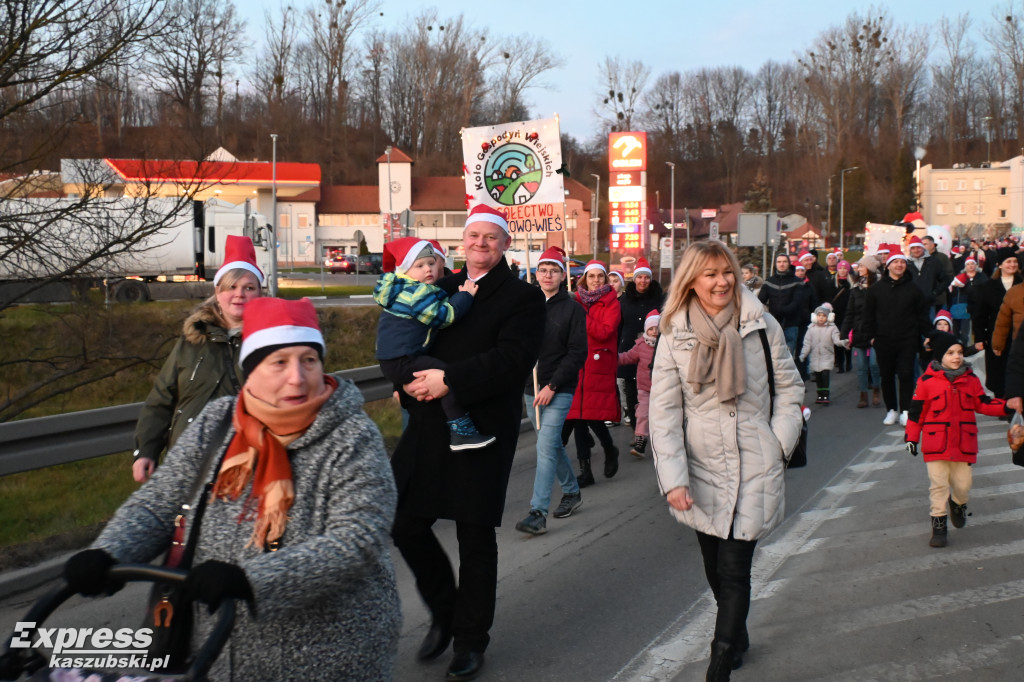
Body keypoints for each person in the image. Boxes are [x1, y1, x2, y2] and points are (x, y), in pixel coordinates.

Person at [64, 297, 401, 680]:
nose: (297, 376)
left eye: (309, 360)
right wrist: (109, 551)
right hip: (222, 649)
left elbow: (358, 538)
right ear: (250, 370)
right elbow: (159, 503)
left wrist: (252, 579)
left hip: (330, 653)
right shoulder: (218, 422)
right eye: (279, 362)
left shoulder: (351, 435)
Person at [389, 203, 545, 682]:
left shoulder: (523, 298)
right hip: (428, 425)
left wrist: (449, 380)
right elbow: (401, 333)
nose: (480, 243)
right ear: (462, 241)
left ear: (504, 244)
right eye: (473, 235)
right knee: (402, 523)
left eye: (490, 237)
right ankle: (445, 610)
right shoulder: (440, 285)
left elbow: (512, 360)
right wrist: (406, 381)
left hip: (481, 428)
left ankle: (471, 640)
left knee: (475, 538)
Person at [649, 240, 803, 681]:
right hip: (700, 464)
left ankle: (718, 664)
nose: (721, 282)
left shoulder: (761, 323)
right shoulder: (674, 331)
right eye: (711, 274)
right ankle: (737, 633)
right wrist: (673, 478)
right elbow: (663, 412)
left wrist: (778, 442)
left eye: (727, 272)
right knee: (715, 568)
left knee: (735, 569)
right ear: (692, 281)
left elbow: (790, 388)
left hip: (755, 459)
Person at [132, 235, 264, 483]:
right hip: (186, 465)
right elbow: (162, 398)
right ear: (217, 292)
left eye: (249, 287)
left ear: (260, 292)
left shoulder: (269, 344)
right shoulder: (193, 340)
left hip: (245, 468)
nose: (239, 295)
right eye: (231, 287)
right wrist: (145, 451)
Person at [373, 236, 494, 451]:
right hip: (404, 359)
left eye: (430, 263)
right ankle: (462, 431)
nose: (428, 269)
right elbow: (444, 316)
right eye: (419, 265)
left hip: (396, 359)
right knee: (446, 376)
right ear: (403, 271)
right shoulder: (415, 293)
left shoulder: (402, 290)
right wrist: (464, 296)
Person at [904, 330, 1010, 548]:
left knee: (963, 485)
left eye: (960, 352)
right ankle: (939, 527)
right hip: (936, 444)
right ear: (940, 356)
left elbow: (983, 403)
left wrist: (1007, 406)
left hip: (964, 443)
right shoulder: (926, 381)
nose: (956, 357)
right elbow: (916, 413)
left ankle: (958, 504)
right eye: (951, 352)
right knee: (938, 486)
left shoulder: (970, 380)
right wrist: (911, 438)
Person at [515, 246, 587, 536]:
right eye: (543, 270)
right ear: (536, 273)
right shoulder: (527, 306)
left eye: (554, 270)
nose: (547, 275)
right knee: (552, 445)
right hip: (530, 389)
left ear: (562, 275)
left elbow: (577, 352)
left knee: (544, 447)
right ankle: (572, 491)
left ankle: (538, 512)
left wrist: (553, 386)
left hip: (560, 389)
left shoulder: (572, 309)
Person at [565, 259, 622, 486]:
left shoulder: (611, 302)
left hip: (598, 365)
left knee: (591, 414)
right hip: (577, 363)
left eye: (600, 276)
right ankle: (585, 470)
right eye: (592, 276)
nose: (596, 280)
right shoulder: (575, 300)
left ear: (606, 279)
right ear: (584, 279)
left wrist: (582, 316)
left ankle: (609, 448)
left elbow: (605, 331)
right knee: (579, 416)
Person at [864, 247, 930, 426]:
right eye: (895, 262)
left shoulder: (913, 289)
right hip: (883, 339)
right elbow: (869, 315)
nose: (899, 265)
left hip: (908, 338)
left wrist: (928, 335)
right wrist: (871, 337)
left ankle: (906, 410)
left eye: (902, 262)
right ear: (888, 266)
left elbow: (922, 314)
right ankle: (891, 410)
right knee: (886, 375)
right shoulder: (876, 289)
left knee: (906, 374)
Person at [617, 257, 663, 433]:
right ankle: (638, 434)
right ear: (634, 279)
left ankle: (654, 431)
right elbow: (618, 324)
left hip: (653, 352)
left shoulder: (659, 298)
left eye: (646, 277)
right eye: (639, 277)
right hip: (629, 348)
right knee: (631, 395)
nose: (643, 281)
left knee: (654, 395)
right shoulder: (625, 299)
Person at [972, 254, 1022, 397]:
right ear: (1000, 265)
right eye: (1008, 261)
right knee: (998, 370)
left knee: (1017, 369)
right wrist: (980, 337)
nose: (1012, 264)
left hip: (1019, 334)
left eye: (1015, 262)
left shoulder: (1021, 284)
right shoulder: (988, 287)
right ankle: (1002, 402)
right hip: (996, 335)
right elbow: (979, 315)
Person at [618, 309, 659, 457]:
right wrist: (613, 358)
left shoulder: (664, 344)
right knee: (642, 414)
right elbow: (628, 357)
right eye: (651, 328)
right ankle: (640, 442)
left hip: (662, 388)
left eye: (657, 328)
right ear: (646, 329)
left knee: (664, 416)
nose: (654, 332)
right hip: (645, 388)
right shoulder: (641, 345)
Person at [842, 256, 882, 408]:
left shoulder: (878, 288)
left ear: (870, 269)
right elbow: (850, 313)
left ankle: (876, 390)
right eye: (858, 266)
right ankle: (863, 395)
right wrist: (844, 333)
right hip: (859, 331)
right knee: (861, 366)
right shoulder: (855, 289)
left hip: (875, 332)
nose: (858, 268)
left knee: (874, 364)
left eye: (862, 266)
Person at [799, 303, 848, 404]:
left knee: (825, 375)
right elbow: (807, 344)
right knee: (818, 377)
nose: (821, 318)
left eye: (823, 316)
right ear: (815, 317)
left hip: (827, 356)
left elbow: (836, 340)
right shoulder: (811, 329)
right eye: (819, 316)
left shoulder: (832, 328)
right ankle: (820, 395)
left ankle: (826, 395)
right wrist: (803, 355)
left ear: (828, 317)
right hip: (815, 357)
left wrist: (843, 342)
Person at [757, 253, 804, 357]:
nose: (781, 264)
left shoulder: (797, 282)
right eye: (779, 262)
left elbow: (797, 302)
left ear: (789, 263)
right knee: (774, 354)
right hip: (773, 323)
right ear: (775, 264)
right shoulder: (769, 281)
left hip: (791, 323)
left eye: (784, 261)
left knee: (789, 354)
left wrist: (783, 311)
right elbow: (760, 301)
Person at [906, 234, 950, 315]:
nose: (916, 250)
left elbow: (946, 280)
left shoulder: (933, 262)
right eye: (913, 248)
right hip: (911, 305)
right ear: (910, 250)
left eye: (918, 247)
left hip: (929, 304)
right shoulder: (906, 264)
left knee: (929, 326)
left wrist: (934, 293)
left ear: (922, 248)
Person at [948, 256, 987, 346]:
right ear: (965, 266)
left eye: (972, 264)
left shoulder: (982, 276)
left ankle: (975, 344)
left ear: (976, 265)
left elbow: (986, 289)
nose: (970, 266)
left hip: (978, 305)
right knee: (960, 329)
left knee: (975, 326)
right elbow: (953, 292)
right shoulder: (960, 277)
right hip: (963, 306)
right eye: (968, 264)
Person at [831, 260, 854, 373]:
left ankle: (848, 361)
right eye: (840, 268)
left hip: (848, 315)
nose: (843, 270)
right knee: (837, 339)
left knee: (847, 338)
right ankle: (840, 363)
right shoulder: (833, 283)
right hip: (836, 315)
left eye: (845, 268)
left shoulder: (852, 284)